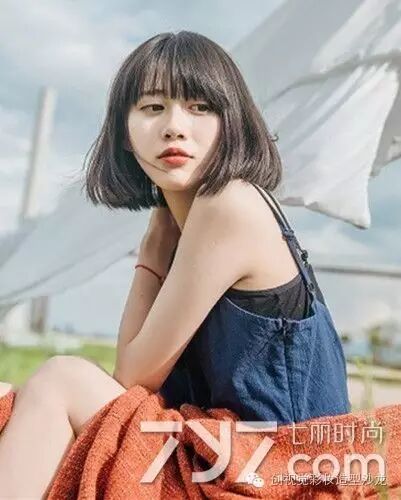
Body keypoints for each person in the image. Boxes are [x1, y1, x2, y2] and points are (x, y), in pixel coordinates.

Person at [0, 30, 350, 497]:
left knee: (61, 380)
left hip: (276, 478)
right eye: (152, 107)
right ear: (125, 135)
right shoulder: (199, 221)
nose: (174, 127)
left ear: (232, 123)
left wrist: (151, 251)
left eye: (200, 107)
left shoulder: (229, 205)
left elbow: (133, 379)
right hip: (229, 462)